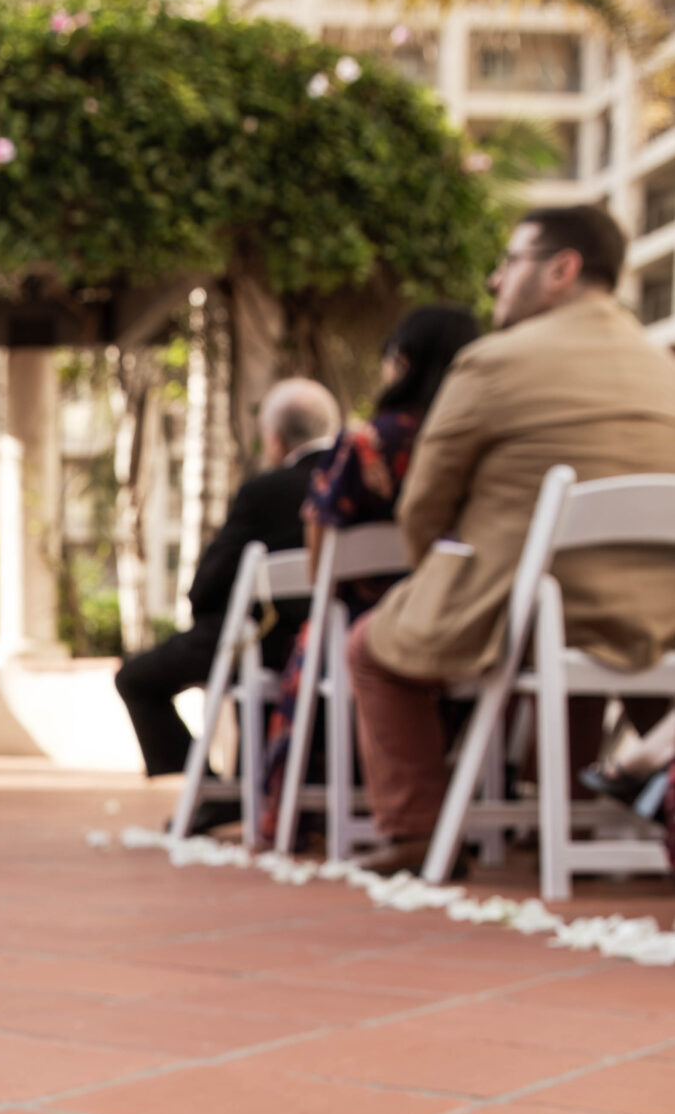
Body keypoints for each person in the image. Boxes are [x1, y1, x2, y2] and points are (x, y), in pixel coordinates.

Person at [347, 203, 675, 870]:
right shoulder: (662, 367)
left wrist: (431, 577)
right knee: (610, 651)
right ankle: (563, 822)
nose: (496, 279)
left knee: (370, 648)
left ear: (562, 269)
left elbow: (423, 505)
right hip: (661, 618)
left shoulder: (493, 361)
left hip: (527, 609)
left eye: (510, 261)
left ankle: (416, 833)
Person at [260, 307, 481, 838]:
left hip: (366, 619)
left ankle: (301, 814)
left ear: (401, 362)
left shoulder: (367, 442)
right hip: (464, 611)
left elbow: (321, 548)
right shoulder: (478, 442)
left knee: (333, 641)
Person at [112, 380, 341, 809]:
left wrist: (208, 613)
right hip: (344, 643)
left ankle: (214, 792)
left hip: (266, 643)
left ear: (275, 438)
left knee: (136, 678)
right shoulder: (362, 485)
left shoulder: (265, 491)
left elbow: (210, 581)